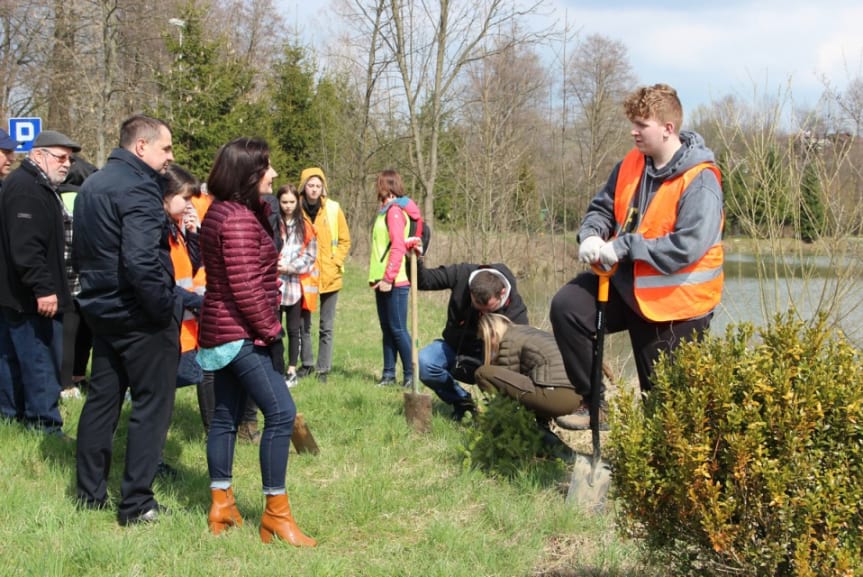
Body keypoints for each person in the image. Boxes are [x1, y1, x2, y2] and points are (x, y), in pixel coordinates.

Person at [550, 83, 724, 430]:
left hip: (677, 307)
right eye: (633, 122)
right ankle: (595, 405)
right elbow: (601, 208)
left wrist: (625, 246)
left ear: (667, 128)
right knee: (568, 307)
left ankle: (663, 478)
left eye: (641, 124)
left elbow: (686, 247)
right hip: (629, 287)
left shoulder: (701, 181)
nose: (633, 131)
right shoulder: (630, 164)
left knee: (665, 410)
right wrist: (591, 235)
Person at [198, 137, 315, 547]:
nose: (274, 174)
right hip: (241, 333)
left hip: (219, 331)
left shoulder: (222, 212)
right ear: (248, 173)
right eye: (267, 167)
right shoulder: (238, 221)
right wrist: (272, 332)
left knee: (226, 418)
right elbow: (247, 289)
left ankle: (222, 506)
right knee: (281, 413)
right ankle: (276, 517)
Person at [73, 115, 180, 524]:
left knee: (102, 402)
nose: (170, 157)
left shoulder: (94, 184)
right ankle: (137, 503)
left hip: (102, 311)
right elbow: (140, 260)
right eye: (165, 148)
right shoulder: (137, 187)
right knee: (151, 407)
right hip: (138, 315)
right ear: (141, 147)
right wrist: (162, 308)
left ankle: (89, 494)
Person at [0, 130, 80, 435]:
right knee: (39, 360)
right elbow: (27, 247)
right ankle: (44, 425)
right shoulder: (27, 189)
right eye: (60, 157)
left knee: (14, 359)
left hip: (20, 295)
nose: (66, 164)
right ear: (38, 156)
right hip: (30, 298)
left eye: (69, 159)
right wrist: (43, 288)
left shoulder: (31, 185)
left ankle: (12, 417)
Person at [414, 259, 529, 421]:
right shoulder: (461, 274)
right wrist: (415, 259)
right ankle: (463, 402)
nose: (481, 313)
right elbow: (423, 281)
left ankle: (495, 414)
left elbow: (518, 359)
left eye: (488, 310)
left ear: (502, 293)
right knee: (424, 362)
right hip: (455, 350)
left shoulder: (516, 312)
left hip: (490, 360)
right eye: (477, 306)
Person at [475, 313, 581, 450]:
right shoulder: (527, 332)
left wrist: (492, 413)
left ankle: (514, 433)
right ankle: (544, 438)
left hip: (560, 396)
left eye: (485, 340)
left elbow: (508, 392)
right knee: (530, 387)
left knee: (483, 372)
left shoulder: (509, 340)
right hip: (578, 393)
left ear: (492, 334)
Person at [368, 169, 421, 388]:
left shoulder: (394, 212)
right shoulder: (385, 211)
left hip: (395, 281)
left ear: (387, 186)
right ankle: (388, 374)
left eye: (379, 184)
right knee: (387, 328)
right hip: (382, 279)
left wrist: (389, 277)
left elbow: (398, 246)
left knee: (398, 329)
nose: (377, 188)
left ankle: (411, 375)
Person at [298, 166, 351, 383]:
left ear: (323, 188)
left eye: (318, 186)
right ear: (303, 187)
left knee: (326, 326)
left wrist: (335, 261)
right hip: (304, 276)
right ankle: (307, 364)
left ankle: (323, 369)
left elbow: (345, 240)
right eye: (310, 185)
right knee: (303, 324)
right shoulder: (294, 207)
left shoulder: (333, 208)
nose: (314, 189)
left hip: (330, 275)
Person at [58, 154, 99, 400]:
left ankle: (68, 381)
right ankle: (74, 378)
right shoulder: (82, 198)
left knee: (68, 333)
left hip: (65, 276)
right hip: (81, 276)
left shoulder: (57, 197)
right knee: (82, 333)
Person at [276, 184, 317, 388]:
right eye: (284, 202)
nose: (288, 206)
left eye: (292, 202)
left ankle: (292, 368)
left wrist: (291, 267)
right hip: (274, 285)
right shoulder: (273, 223)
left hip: (294, 285)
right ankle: (275, 367)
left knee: (294, 329)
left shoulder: (305, 226)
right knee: (274, 329)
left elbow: (311, 256)